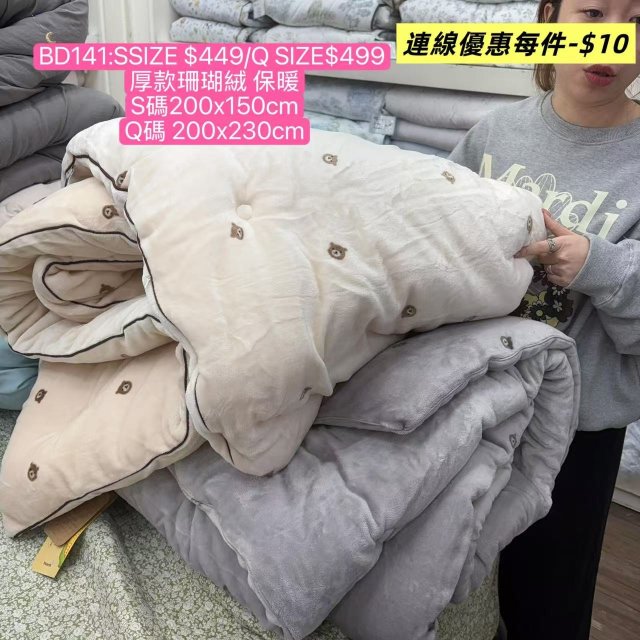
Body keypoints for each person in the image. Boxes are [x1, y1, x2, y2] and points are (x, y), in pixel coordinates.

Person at [449, 1, 640, 638]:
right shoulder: (493, 134)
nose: (612, 42)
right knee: (453, 588)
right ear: (552, 19)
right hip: (469, 410)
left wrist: (597, 265)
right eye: (593, 14)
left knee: (547, 607)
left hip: (575, 436)